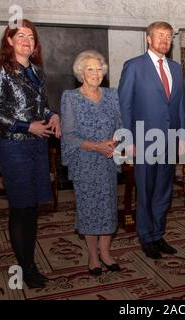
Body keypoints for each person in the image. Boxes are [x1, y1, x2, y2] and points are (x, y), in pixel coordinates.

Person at [0, 19, 61, 288]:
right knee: (20, 208)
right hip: (15, 147)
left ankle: (29, 261)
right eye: (20, 36)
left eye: (31, 36)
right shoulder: (1, 72)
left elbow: (44, 106)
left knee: (31, 208)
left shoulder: (37, 72)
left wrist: (54, 116)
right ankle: (26, 267)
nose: (27, 40)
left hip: (38, 147)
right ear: (9, 41)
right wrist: (28, 125)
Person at [118, 21, 185, 259]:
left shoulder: (177, 69)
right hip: (143, 141)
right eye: (159, 36)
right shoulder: (134, 66)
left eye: (168, 36)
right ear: (149, 38)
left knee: (163, 191)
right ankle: (146, 237)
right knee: (145, 190)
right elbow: (124, 105)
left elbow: (180, 106)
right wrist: (127, 140)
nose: (164, 40)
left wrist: (182, 137)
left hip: (169, 142)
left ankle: (158, 234)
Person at [60, 50, 122, 275]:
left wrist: (114, 144)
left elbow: (120, 126)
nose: (96, 73)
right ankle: (93, 256)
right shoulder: (70, 97)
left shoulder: (112, 94)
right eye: (90, 69)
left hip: (107, 160)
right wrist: (96, 146)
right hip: (85, 161)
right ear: (81, 73)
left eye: (99, 69)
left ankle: (106, 252)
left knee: (108, 207)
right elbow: (69, 135)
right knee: (88, 208)